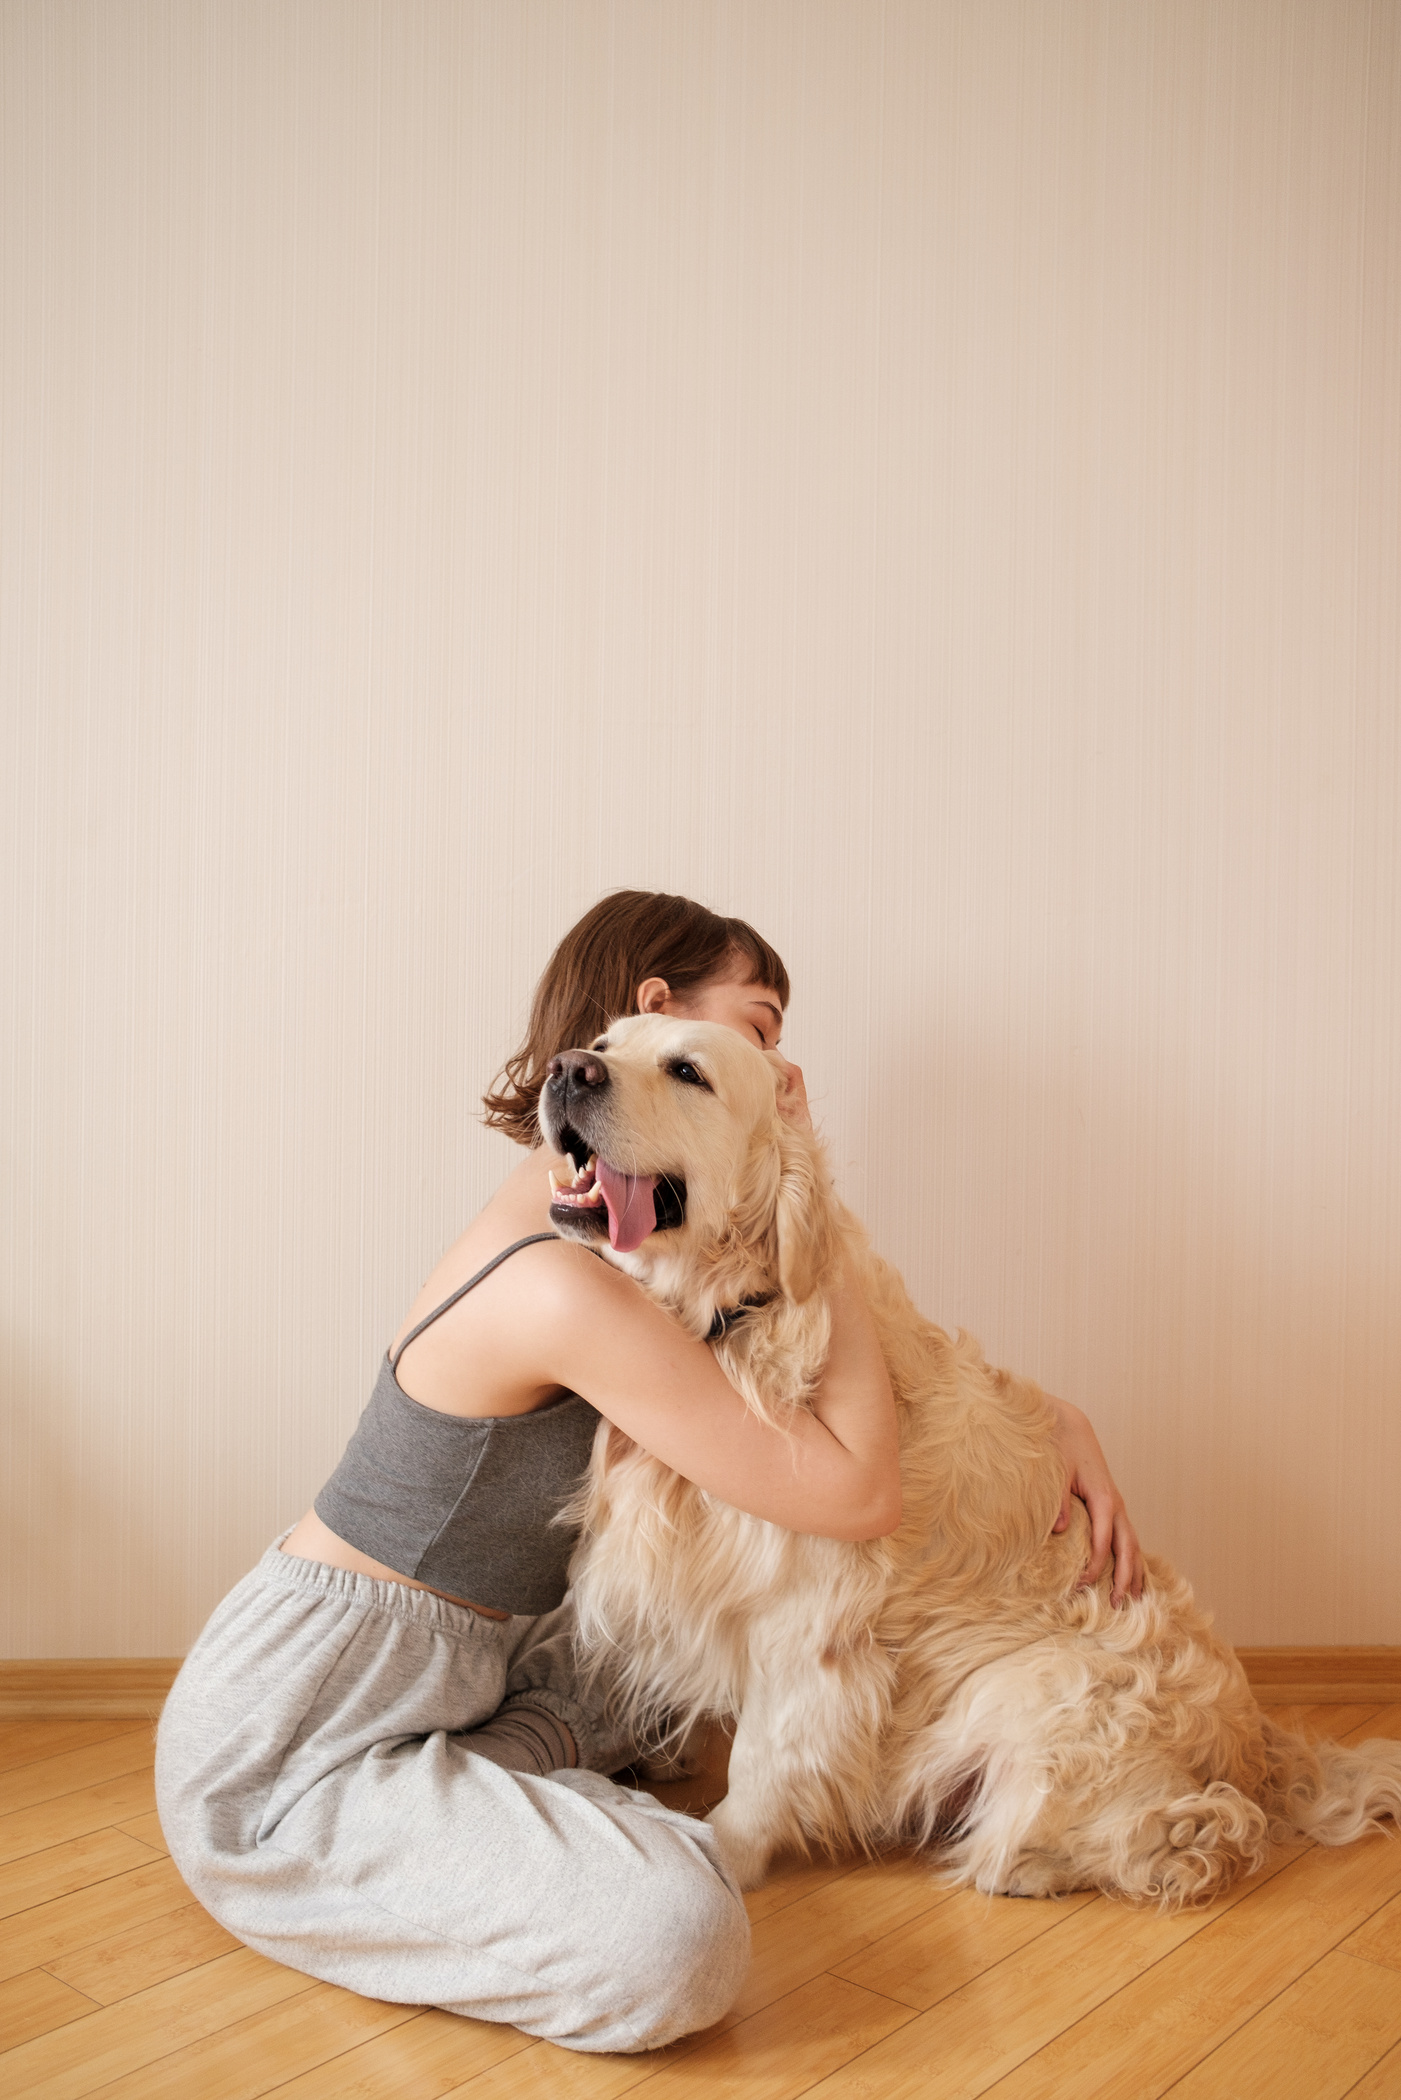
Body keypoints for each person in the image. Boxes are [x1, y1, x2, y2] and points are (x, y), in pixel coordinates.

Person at [156, 889, 1143, 2056]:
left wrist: (1052, 1417)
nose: (786, 1071)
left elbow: (831, 1346)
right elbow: (855, 1486)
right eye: (764, 1036)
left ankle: (496, 1797)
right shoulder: (565, 1276)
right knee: (680, 1940)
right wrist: (799, 1158)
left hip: (473, 1680)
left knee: (674, 1684)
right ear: (653, 1020)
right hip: (303, 1731)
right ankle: (359, 1844)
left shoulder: (629, 1240)